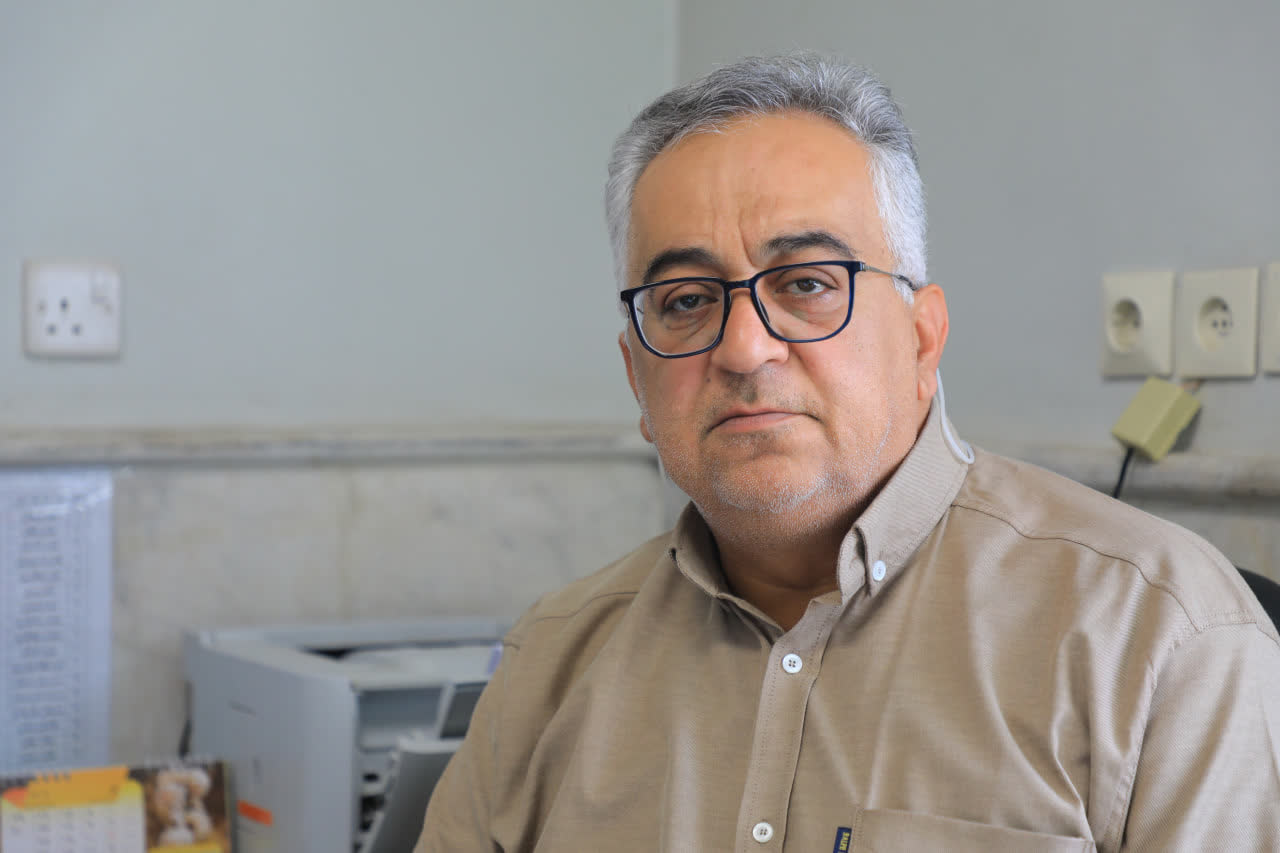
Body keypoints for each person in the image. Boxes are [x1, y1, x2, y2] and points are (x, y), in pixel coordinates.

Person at [416, 54, 1280, 852]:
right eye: (684, 300)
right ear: (636, 377)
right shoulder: (550, 663)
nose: (745, 348)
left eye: (807, 284)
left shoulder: (1160, 638)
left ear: (922, 337)